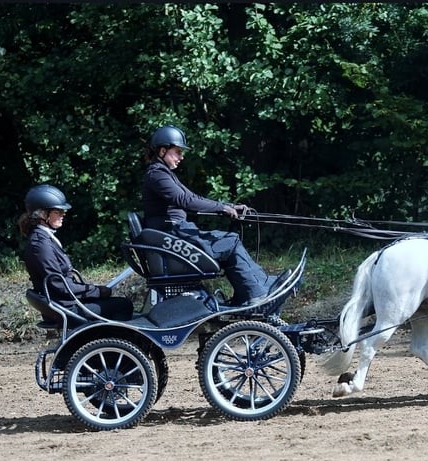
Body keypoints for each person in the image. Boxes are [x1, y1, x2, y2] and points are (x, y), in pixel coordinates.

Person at [142, 125, 288, 307]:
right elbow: (185, 200)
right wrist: (221, 208)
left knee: (229, 240)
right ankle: (256, 294)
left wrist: (228, 207)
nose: (181, 157)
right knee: (230, 242)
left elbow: (193, 197)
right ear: (163, 151)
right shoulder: (157, 174)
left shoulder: (164, 173)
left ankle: (258, 288)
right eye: (178, 152)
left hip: (175, 235)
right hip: (173, 238)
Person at [19, 184, 134, 321]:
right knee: (124, 305)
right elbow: (59, 285)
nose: (63, 214)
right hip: (66, 307)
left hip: (66, 301)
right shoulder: (40, 244)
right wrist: (96, 291)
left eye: (62, 211)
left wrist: (93, 290)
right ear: (43, 215)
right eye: (57, 212)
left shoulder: (45, 238)